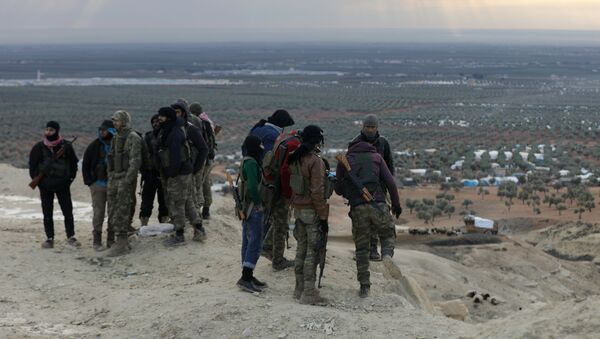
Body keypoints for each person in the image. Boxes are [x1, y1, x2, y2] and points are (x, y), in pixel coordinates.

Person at [334, 140, 402, 298]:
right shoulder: (376, 157)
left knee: (362, 249)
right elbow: (391, 183)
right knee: (387, 234)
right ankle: (386, 255)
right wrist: (396, 205)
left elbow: (338, 189)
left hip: (358, 208)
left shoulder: (345, 159)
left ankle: (364, 286)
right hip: (379, 204)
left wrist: (347, 190)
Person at [288, 125, 330, 305]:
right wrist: (323, 216)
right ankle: (309, 292)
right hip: (312, 211)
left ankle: (298, 289)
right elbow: (317, 192)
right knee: (312, 252)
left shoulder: (295, 158)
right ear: (317, 141)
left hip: (298, 210)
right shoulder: (315, 161)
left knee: (301, 250)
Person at [249, 109, 296, 271]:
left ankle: (266, 247)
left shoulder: (258, 128)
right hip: (270, 183)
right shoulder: (272, 135)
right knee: (277, 219)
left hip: (256, 178)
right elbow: (274, 161)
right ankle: (276, 258)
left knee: (269, 217)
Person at [348, 114, 394, 261]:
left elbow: (389, 166)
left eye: (372, 127)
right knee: (361, 221)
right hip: (359, 187)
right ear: (363, 127)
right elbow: (349, 166)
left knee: (377, 220)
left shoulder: (383, 143)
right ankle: (362, 250)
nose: (369, 130)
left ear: (377, 127)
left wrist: (388, 185)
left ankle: (373, 250)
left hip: (379, 188)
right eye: (367, 127)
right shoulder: (355, 143)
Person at [156, 107, 204, 245]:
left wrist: (171, 173)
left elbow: (175, 157)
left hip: (178, 173)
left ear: (169, 118)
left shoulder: (174, 133)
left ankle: (179, 234)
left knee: (177, 203)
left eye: (162, 116)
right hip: (183, 172)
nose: (160, 119)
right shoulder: (170, 130)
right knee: (187, 201)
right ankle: (199, 229)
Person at [29, 121, 79, 249]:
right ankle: (49, 238)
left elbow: (73, 164)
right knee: (47, 212)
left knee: (67, 211)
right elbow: (33, 167)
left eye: (51, 130)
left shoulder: (66, 146)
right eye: (47, 129)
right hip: (45, 186)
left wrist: (69, 179)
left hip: (63, 184)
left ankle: (71, 236)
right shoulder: (39, 147)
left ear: (57, 131)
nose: (48, 132)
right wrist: (40, 182)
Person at [105, 111, 143, 257]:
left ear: (124, 121)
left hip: (125, 179)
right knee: (113, 210)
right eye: (113, 121)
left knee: (122, 209)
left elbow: (135, 162)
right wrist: (111, 176)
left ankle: (121, 241)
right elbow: (112, 158)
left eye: (117, 121)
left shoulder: (133, 138)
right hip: (115, 178)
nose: (114, 123)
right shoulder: (116, 137)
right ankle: (116, 240)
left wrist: (127, 181)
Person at [172, 99, 209, 238]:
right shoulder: (172, 127)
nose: (175, 115)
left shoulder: (191, 127)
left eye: (178, 112)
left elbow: (203, 148)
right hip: (177, 172)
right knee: (182, 201)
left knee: (191, 199)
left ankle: (195, 230)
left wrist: (196, 168)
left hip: (189, 170)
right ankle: (186, 229)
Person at [236, 135, 268, 293]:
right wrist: (259, 203)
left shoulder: (246, 160)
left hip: (247, 208)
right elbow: (253, 188)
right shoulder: (251, 163)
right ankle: (246, 277)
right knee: (254, 242)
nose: (262, 148)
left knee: (248, 241)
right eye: (260, 145)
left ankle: (248, 274)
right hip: (252, 208)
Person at [82, 120, 115, 251]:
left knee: (113, 213)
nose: (102, 132)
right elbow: (86, 165)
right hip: (98, 184)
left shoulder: (117, 144)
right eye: (100, 130)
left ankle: (111, 240)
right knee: (98, 212)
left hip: (114, 184)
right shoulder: (94, 146)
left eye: (105, 130)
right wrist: (90, 182)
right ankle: (97, 240)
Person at [139, 114, 169, 226]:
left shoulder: (167, 136)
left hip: (164, 174)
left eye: (158, 121)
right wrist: (145, 172)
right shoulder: (148, 137)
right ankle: (144, 223)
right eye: (153, 122)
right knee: (147, 201)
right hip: (150, 174)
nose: (156, 124)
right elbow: (142, 156)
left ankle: (164, 223)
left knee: (164, 201)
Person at [189, 102, 218, 219]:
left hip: (202, 158)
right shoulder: (208, 122)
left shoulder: (197, 122)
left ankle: (198, 212)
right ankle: (206, 211)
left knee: (198, 184)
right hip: (209, 158)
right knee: (206, 184)